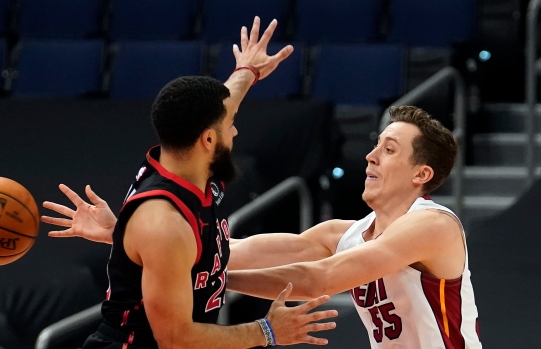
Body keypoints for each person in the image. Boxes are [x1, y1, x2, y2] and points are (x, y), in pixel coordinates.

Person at [42, 17, 337, 349]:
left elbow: (221, 105)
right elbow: (176, 337)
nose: (236, 132)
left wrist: (247, 72)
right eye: (231, 126)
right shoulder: (164, 223)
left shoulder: (186, 158)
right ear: (209, 140)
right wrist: (267, 331)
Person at [227, 106, 482, 348]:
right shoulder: (344, 234)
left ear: (421, 175)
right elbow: (243, 251)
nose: (371, 157)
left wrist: (221, 279)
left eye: (389, 150)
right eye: (376, 145)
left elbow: (318, 280)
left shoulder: (434, 224)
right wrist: (193, 240)